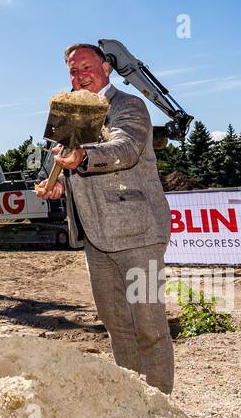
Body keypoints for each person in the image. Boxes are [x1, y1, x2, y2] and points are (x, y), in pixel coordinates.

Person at [36, 42, 175, 394]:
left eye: (86, 67)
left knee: (149, 326)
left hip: (138, 234)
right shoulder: (69, 113)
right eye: (72, 70)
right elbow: (66, 166)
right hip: (95, 237)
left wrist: (82, 156)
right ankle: (132, 400)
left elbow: (124, 148)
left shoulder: (128, 106)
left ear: (106, 69)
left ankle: (160, 409)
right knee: (116, 324)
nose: (79, 75)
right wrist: (55, 186)